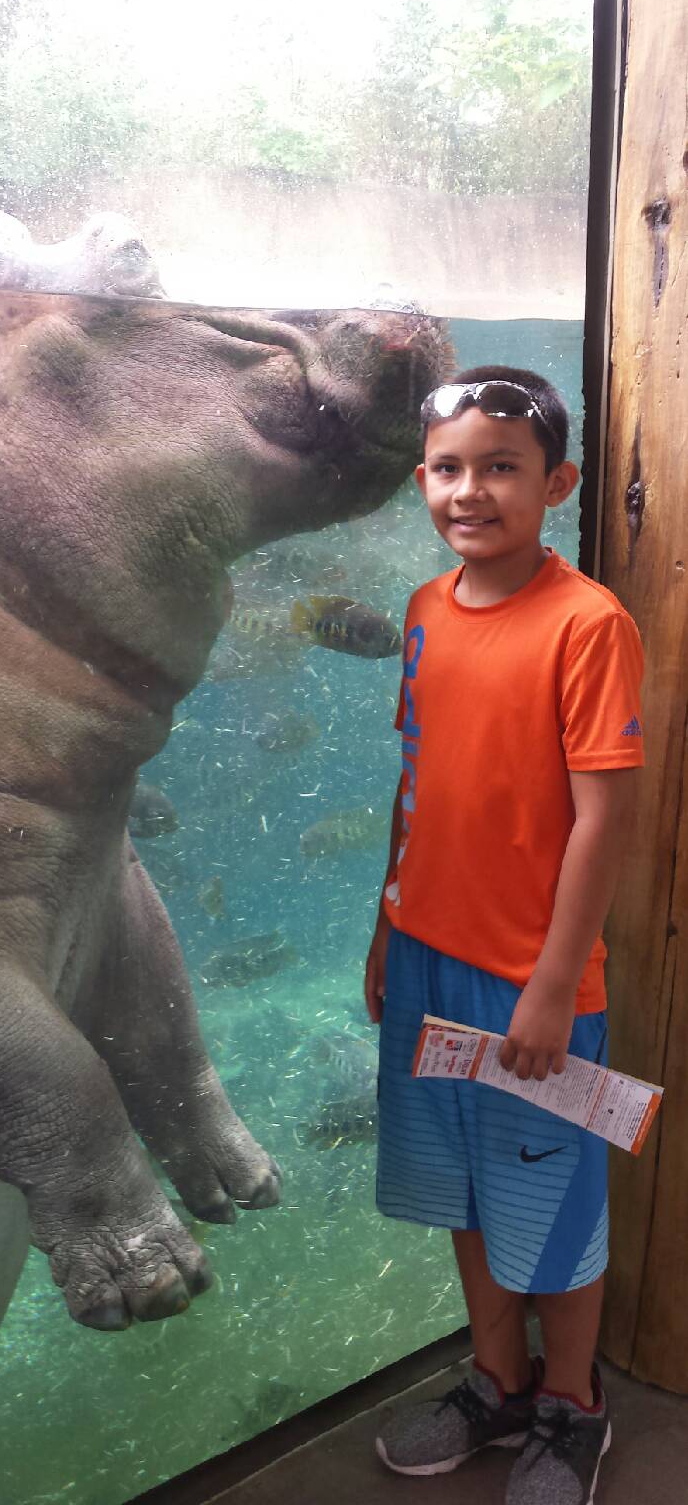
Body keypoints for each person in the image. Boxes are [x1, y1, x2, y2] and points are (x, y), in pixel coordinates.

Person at [366, 367, 644, 1505]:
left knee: (555, 1203)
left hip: (534, 981)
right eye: (448, 468)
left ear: (557, 484)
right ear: (421, 479)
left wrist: (551, 986)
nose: (469, 490)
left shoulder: (589, 624)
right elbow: (416, 783)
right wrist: (383, 926)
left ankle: (574, 1404)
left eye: (500, 467)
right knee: (465, 1190)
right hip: (424, 959)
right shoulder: (424, 610)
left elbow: (602, 820)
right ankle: (500, 1381)